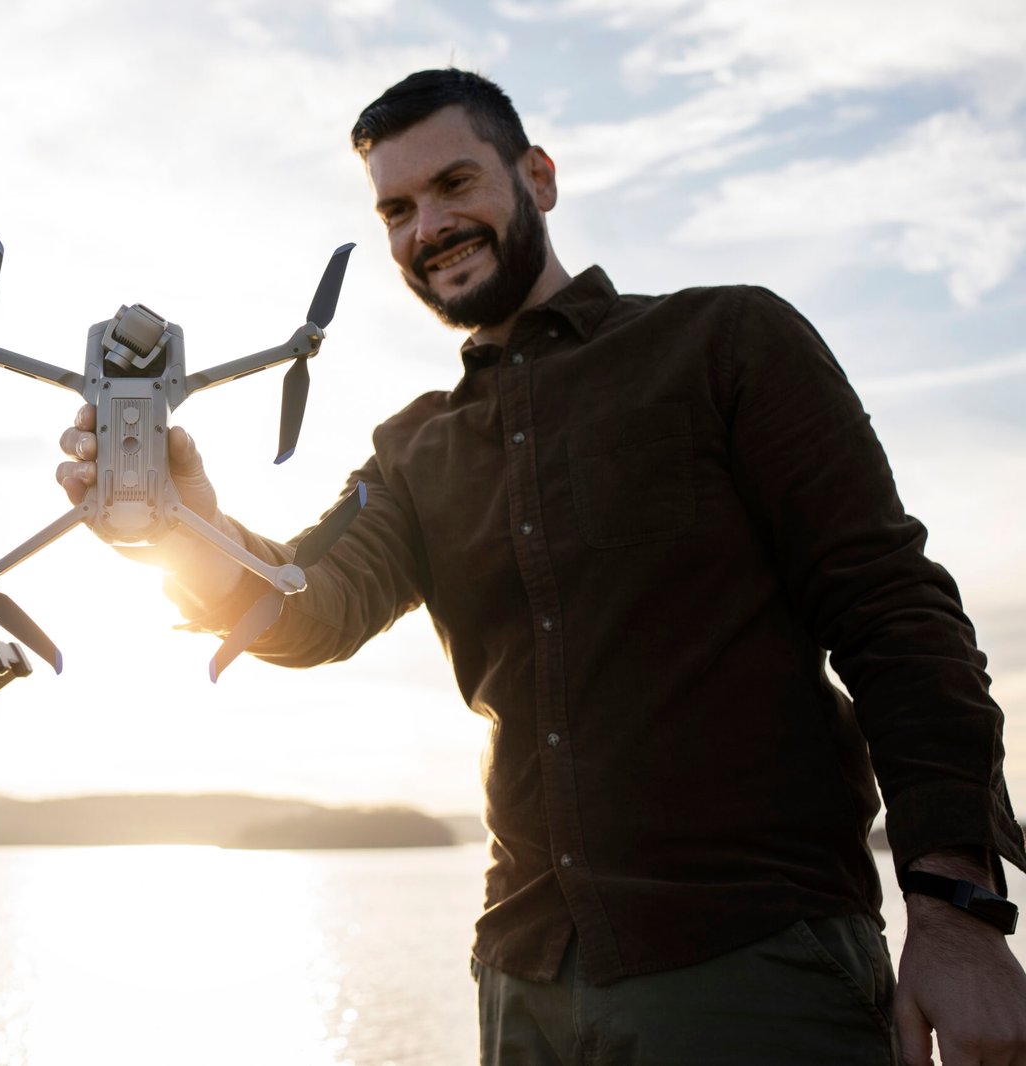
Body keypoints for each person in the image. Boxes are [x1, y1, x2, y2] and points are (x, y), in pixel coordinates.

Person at [57, 70, 1026, 1064]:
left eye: (454, 184)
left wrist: (957, 911)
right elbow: (311, 609)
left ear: (539, 177)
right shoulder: (414, 449)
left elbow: (896, 615)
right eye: (396, 208)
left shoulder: (726, 341)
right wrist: (181, 523)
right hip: (521, 987)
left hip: (751, 968)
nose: (426, 225)